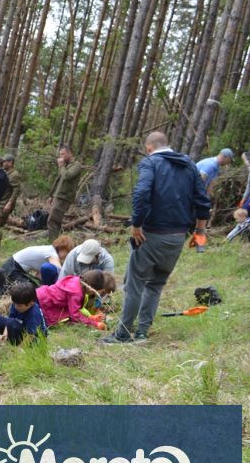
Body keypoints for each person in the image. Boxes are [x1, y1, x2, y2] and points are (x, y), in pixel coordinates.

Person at [102, 132, 210, 344]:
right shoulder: (189, 164)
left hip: (150, 235)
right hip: (177, 236)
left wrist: (137, 225)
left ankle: (122, 334)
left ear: (149, 147)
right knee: (156, 284)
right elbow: (203, 201)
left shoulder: (150, 162)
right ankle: (142, 332)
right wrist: (200, 232)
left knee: (134, 285)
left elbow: (142, 193)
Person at [0, 235, 74, 298]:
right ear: (63, 248)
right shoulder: (52, 253)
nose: (66, 256)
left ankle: (0, 293)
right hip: (12, 269)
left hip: (13, 266)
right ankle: (0, 294)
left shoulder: (48, 250)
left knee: (37, 287)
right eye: (67, 252)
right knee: (30, 291)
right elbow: (60, 270)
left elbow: (39, 276)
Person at [39, 269, 114, 330]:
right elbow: (75, 315)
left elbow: (76, 310)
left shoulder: (77, 280)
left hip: (42, 295)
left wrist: (90, 317)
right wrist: (95, 324)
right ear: (91, 289)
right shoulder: (76, 293)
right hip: (43, 302)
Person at [47, 146, 82, 240]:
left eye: (63, 154)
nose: (60, 157)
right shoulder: (65, 166)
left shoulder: (76, 165)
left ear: (69, 153)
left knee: (52, 220)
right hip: (58, 196)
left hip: (64, 197)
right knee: (55, 220)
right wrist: (51, 195)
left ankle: (53, 243)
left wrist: (61, 166)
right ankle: (58, 242)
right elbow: (58, 181)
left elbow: (67, 176)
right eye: (60, 154)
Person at [0, 155, 21, 229]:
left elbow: (16, 190)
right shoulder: (4, 172)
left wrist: (9, 203)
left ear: (10, 163)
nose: (3, 163)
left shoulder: (14, 175)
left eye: (4, 162)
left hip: (4, 204)